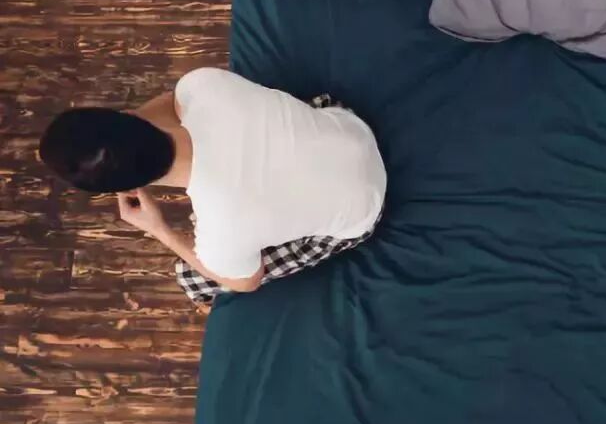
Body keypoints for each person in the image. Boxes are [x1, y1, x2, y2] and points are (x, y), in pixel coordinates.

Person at [39, 67, 386, 295]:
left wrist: (159, 229)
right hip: (351, 129)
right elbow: (174, 104)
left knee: (193, 278)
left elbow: (246, 283)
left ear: (124, 189)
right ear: (129, 116)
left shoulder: (221, 235)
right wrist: (122, 135)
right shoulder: (202, 84)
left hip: (364, 213)